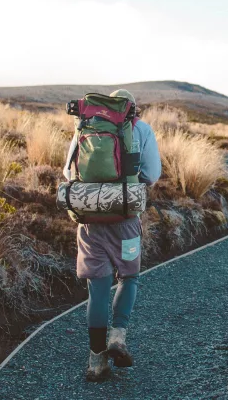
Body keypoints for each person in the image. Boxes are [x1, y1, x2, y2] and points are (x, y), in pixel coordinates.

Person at [62, 89, 161, 381]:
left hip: (89, 221)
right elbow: (152, 175)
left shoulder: (86, 125)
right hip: (126, 220)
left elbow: (68, 172)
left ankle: (96, 361)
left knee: (98, 286)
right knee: (128, 277)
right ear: (133, 109)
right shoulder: (141, 129)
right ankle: (118, 336)